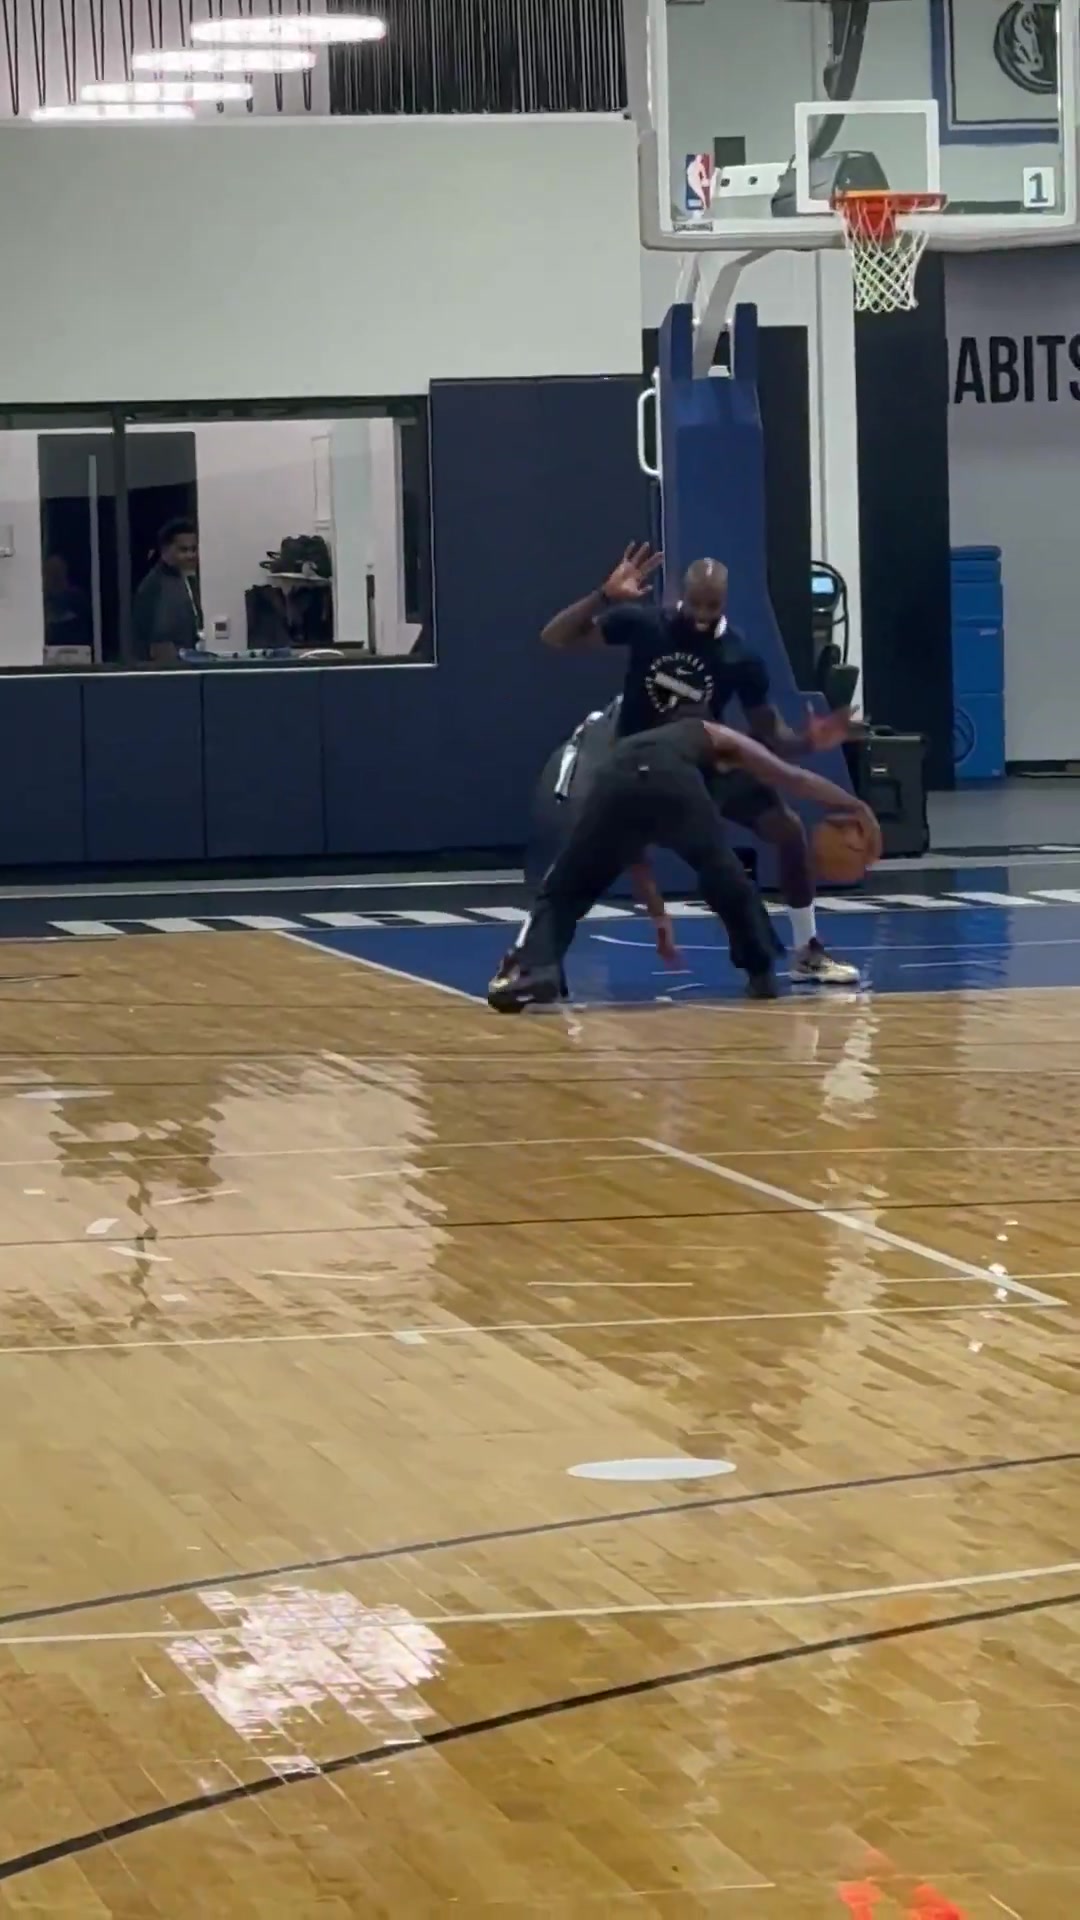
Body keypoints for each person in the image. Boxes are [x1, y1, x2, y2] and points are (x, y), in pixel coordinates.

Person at [540, 543, 860, 985]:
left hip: (700, 763)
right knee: (583, 863)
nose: (703, 615)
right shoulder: (645, 625)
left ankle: (806, 949)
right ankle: (538, 959)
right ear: (679, 594)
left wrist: (809, 740)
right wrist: (604, 596)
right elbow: (555, 637)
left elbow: (772, 737)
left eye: (713, 606)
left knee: (786, 829)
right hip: (637, 770)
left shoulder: (739, 656)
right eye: (696, 604)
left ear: (725, 602)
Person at [488, 715, 879, 1012]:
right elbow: (795, 779)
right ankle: (760, 970)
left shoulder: (641, 741)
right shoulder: (717, 738)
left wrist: (658, 915)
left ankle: (539, 969)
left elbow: (633, 854)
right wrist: (856, 805)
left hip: (611, 783)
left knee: (563, 890)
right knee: (722, 871)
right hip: (666, 776)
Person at [132, 518, 201, 663]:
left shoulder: (186, 580)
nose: (190, 556)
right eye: (183, 550)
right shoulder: (155, 585)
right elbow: (159, 645)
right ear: (165, 550)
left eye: (193, 549)